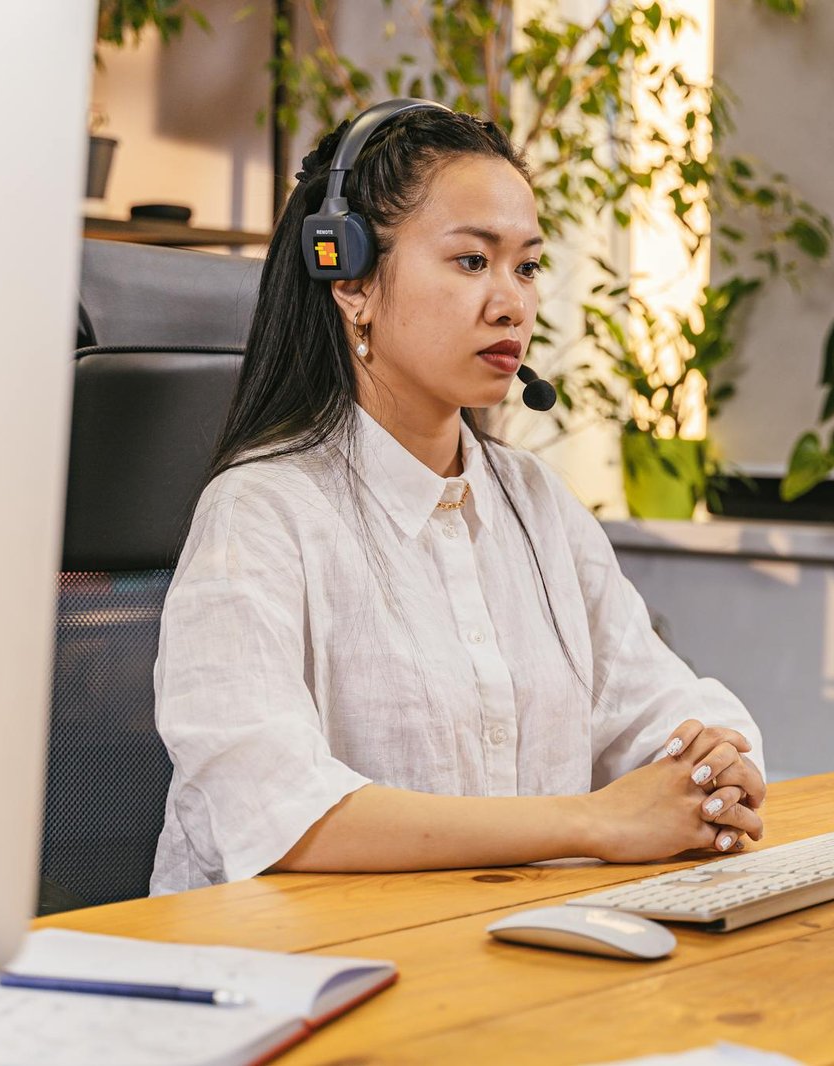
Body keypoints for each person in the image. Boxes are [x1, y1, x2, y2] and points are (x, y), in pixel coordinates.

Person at [149, 103, 767, 895]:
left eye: (528, 266)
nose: (511, 302)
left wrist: (711, 759)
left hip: (502, 952)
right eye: (473, 262)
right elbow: (275, 810)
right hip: (306, 975)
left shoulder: (534, 501)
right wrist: (596, 823)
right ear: (352, 281)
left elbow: (651, 706)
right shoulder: (263, 512)